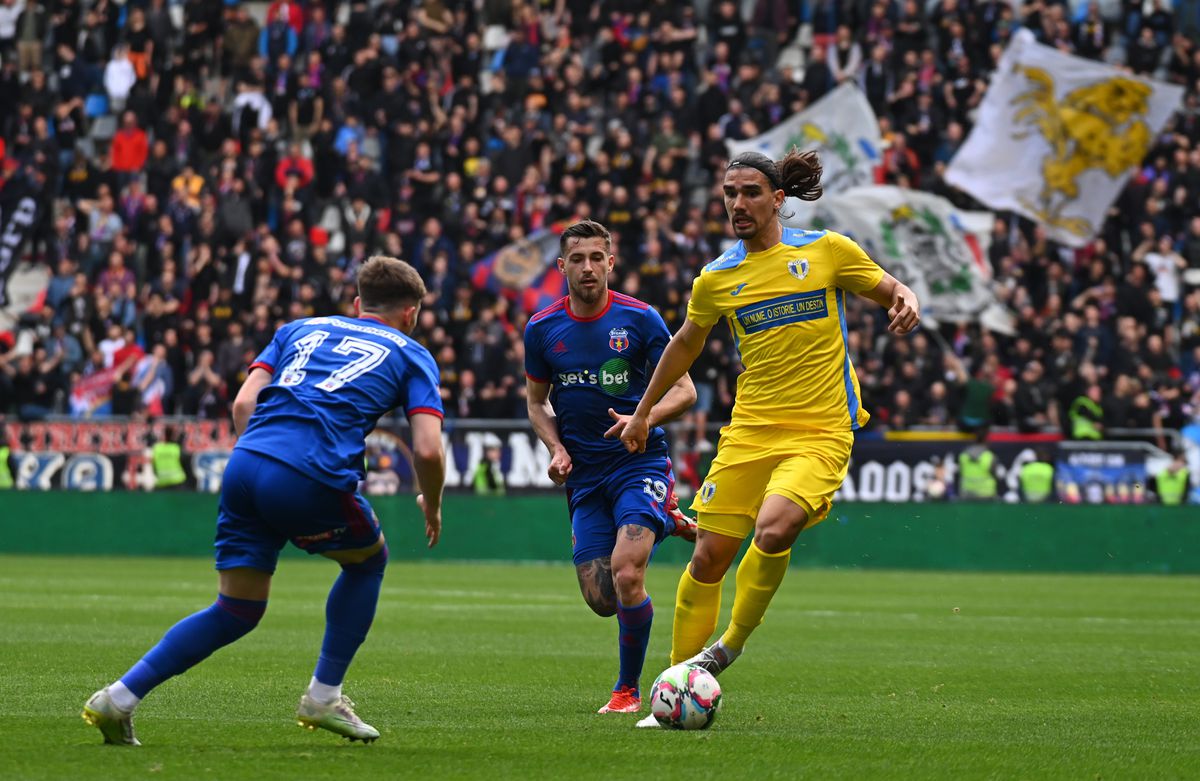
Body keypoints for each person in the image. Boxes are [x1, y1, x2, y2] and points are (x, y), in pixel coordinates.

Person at [82, 257, 446, 745]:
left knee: (236, 608)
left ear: (359, 303)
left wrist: (262, 464)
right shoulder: (413, 354)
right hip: (308, 471)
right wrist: (432, 503)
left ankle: (119, 697)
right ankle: (323, 697)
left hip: (246, 463)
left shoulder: (298, 329)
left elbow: (242, 403)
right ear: (412, 312)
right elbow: (428, 449)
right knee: (366, 563)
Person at [618, 150, 920, 726]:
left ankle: (727, 647)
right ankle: (675, 689)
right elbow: (684, 345)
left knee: (775, 525)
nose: (738, 203)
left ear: (778, 199)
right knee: (708, 557)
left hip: (821, 429)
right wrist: (642, 413)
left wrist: (906, 297)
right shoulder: (716, 278)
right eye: (729, 193)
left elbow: (890, 288)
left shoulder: (827, 251)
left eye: (750, 192)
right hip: (750, 431)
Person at [524, 219, 698, 716]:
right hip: (584, 475)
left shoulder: (640, 319)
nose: (588, 267)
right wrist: (556, 448)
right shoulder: (541, 329)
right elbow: (536, 404)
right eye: (578, 259)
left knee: (626, 574)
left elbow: (684, 391)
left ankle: (627, 691)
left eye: (597, 258)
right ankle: (667, 518)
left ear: (611, 263)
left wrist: (642, 418)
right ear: (562, 266)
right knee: (602, 598)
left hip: (637, 463)